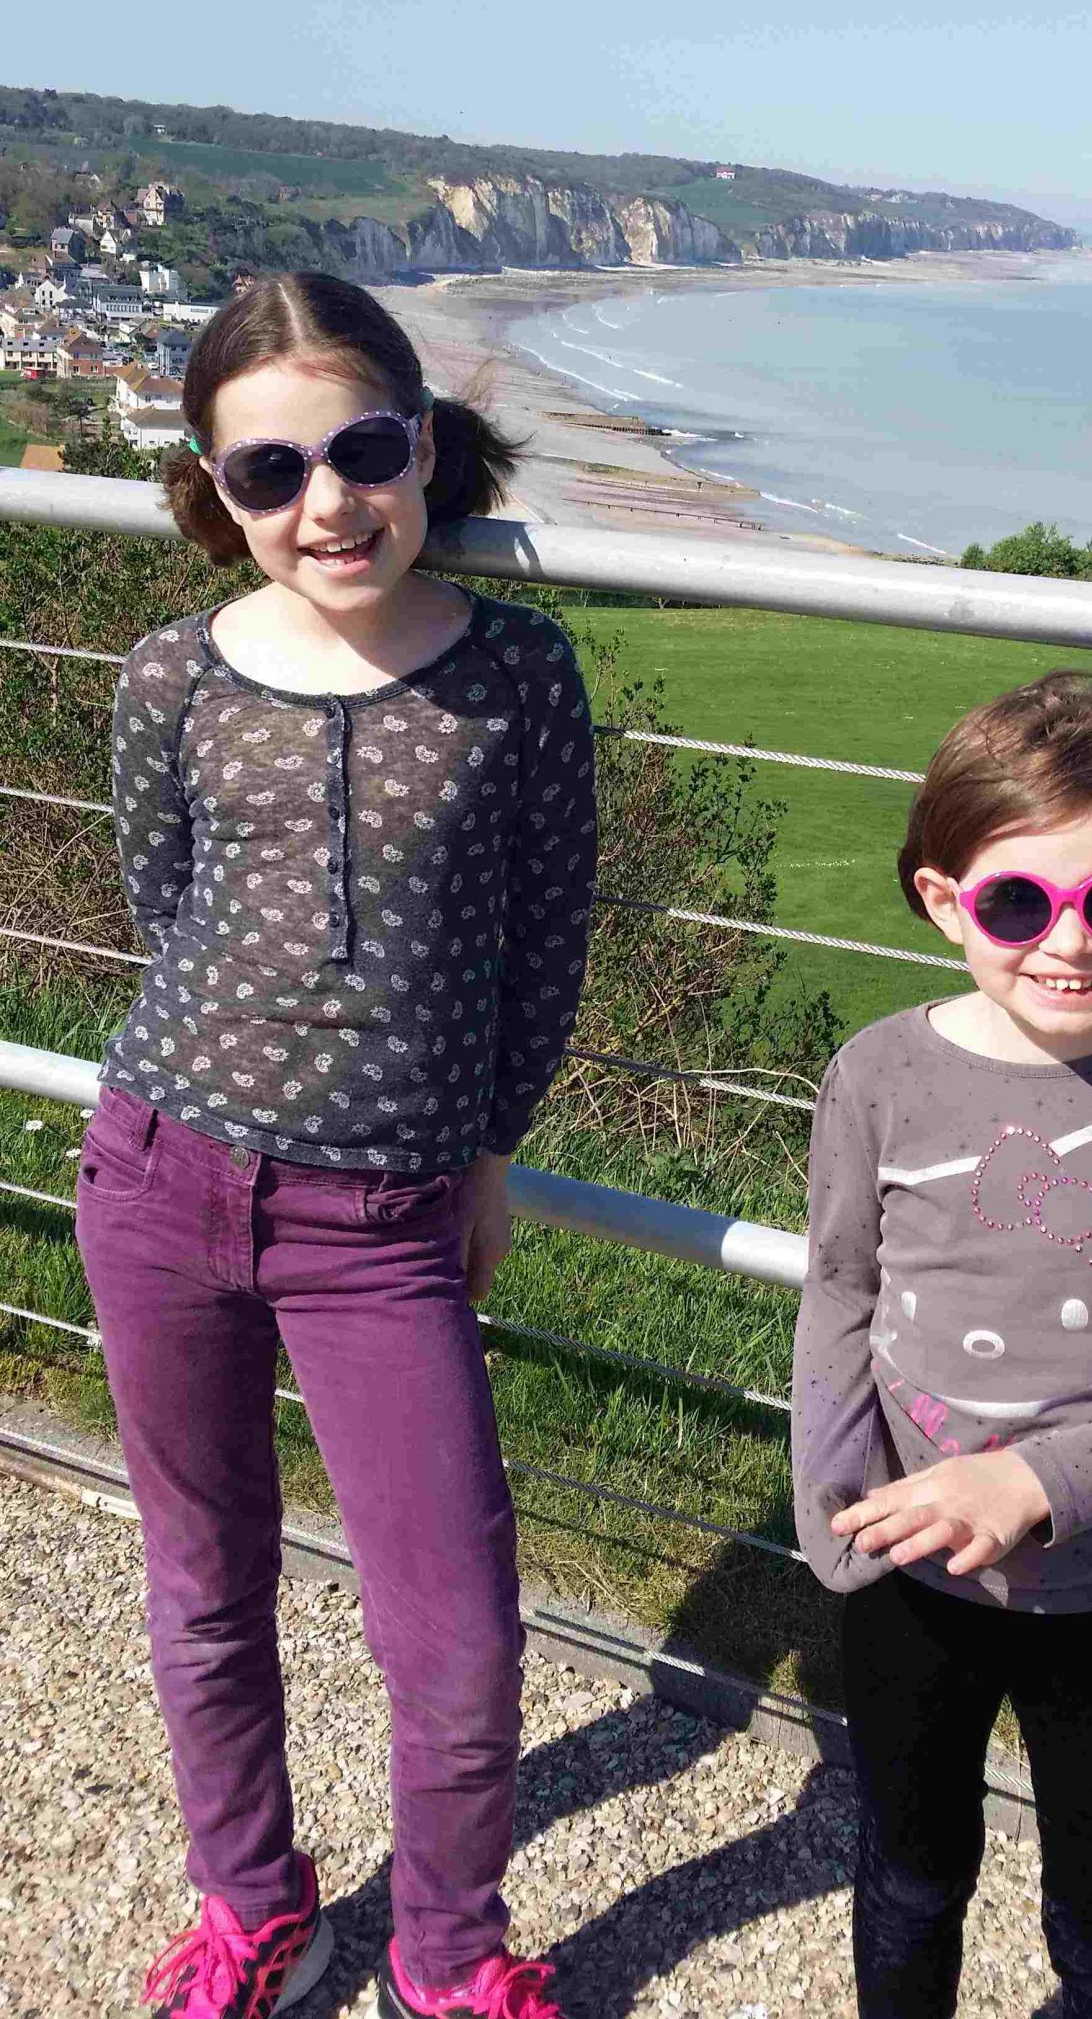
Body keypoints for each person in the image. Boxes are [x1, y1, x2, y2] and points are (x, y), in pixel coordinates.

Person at [78, 273, 597, 2019]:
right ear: (216, 493)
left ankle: (448, 1954)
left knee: (458, 1642)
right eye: (269, 471)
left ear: (426, 446)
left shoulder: (520, 672)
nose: (328, 503)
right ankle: (257, 1908)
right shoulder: (173, 672)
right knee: (204, 1579)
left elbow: (548, 940)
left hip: (385, 1226)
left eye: (365, 451)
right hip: (158, 1178)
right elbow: (162, 907)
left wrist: (489, 1152)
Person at [791, 670, 1092, 2019]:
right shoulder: (878, 1074)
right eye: (1019, 902)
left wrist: (1031, 1484)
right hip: (905, 1579)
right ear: (944, 898)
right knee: (909, 1877)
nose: (1069, 944)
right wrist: (832, 1513)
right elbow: (838, 1297)